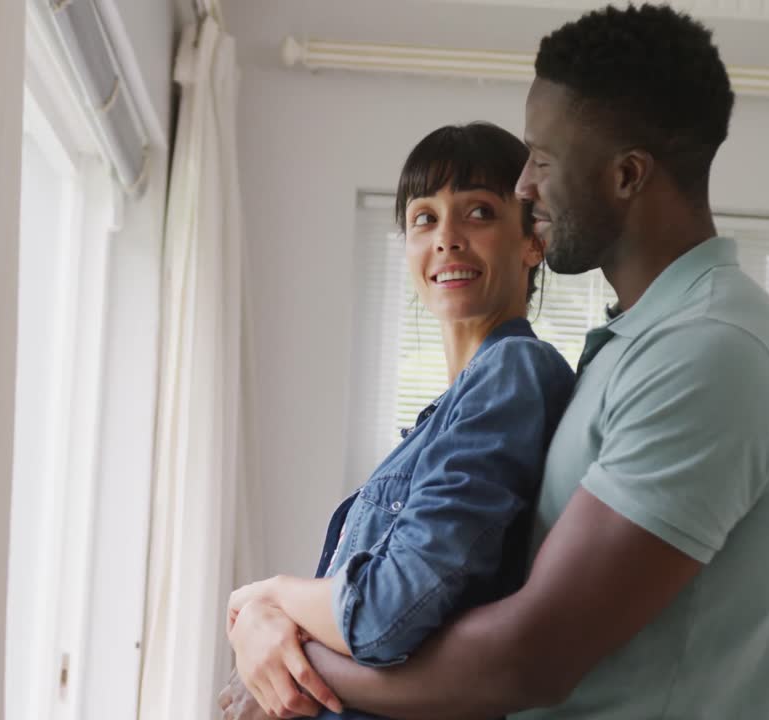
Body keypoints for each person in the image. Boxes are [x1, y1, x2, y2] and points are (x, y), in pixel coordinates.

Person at [221, 5, 769, 719]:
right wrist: (273, 626)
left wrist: (286, 647)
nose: (526, 188)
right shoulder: (633, 347)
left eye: (542, 159)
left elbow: (526, 659)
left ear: (626, 175)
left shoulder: (708, 352)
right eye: (422, 218)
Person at [223, 122, 577, 719]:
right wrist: (263, 624)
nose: (447, 239)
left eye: (479, 213)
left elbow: (385, 612)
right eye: (424, 219)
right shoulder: (447, 414)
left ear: (532, 242)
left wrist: (270, 597)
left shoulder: (513, 371)